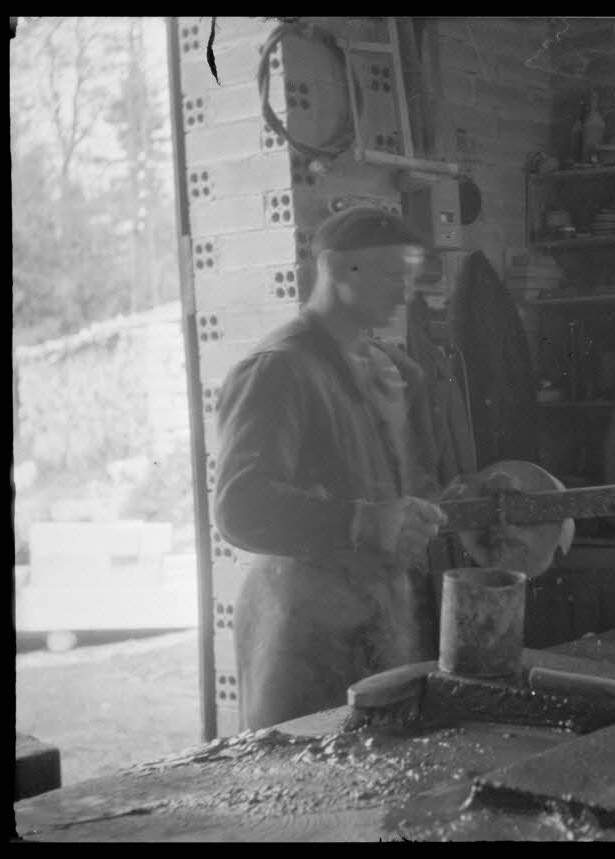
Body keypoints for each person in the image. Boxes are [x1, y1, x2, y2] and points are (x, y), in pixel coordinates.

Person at [213, 207, 456, 730]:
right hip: (301, 631)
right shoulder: (278, 369)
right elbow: (240, 506)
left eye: (409, 276)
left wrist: (491, 507)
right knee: (304, 789)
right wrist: (363, 521)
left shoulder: (396, 369)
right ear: (338, 270)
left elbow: (416, 493)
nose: (405, 291)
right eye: (394, 275)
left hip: (385, 614)